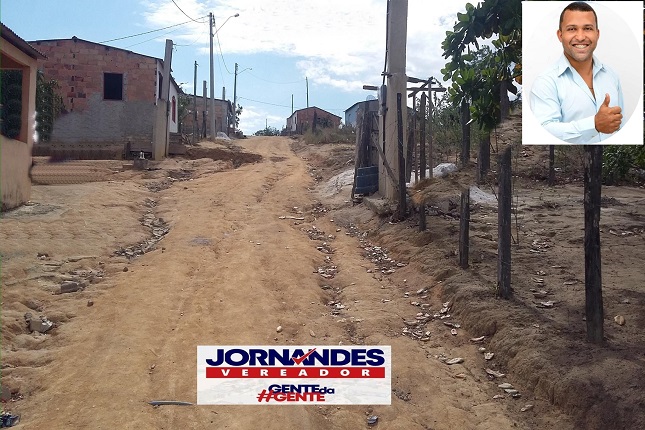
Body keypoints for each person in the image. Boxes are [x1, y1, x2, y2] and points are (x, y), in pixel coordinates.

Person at [530, 1, 624, 144]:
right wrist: (594, 125)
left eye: (587, 28)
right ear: (560, 35)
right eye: (572, 29)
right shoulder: (545, 82)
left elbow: (619, 124)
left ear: (597, 34)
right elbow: (544, 130)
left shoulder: (612, 76)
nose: (580, 37)